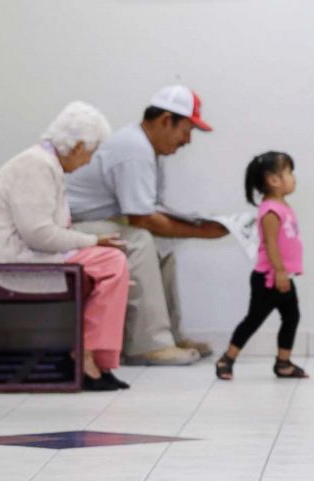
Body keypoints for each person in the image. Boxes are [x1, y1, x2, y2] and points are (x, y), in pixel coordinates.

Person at [0, 101, 131, 391]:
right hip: (12, 262)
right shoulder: (36, 165)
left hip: (24, 255)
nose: (88, 161)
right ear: (79, 145)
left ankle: (96, 359)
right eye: (91, 152)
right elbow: (39, 235)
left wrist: (92, 243)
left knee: (111, 260)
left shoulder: (43, 163)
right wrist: (93, 241)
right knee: (112, 262)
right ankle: (86, 358)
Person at [65, 85, 228, 367]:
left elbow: (148, 210)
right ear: (166, 120)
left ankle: (171, 337)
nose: (187, 140)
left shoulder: (147, 148)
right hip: (70, 226)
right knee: (140, 240)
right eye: (186, 130)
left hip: (93, 223)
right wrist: (204, 232)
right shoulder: (135, 149)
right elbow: (142, 219)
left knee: (161, 242)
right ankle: (148, 345)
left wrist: (200, 224)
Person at [214, 152, 306, 381]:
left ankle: (283, 362)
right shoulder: (270, 210)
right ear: (274, 180)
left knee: (292, 317)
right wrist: (280, 272)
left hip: (283, 277)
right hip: (270, 278)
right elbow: (271, 242)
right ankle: (227, 358)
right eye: (289, 172)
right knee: (254, 320)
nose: (293, 177)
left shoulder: (281, 206)